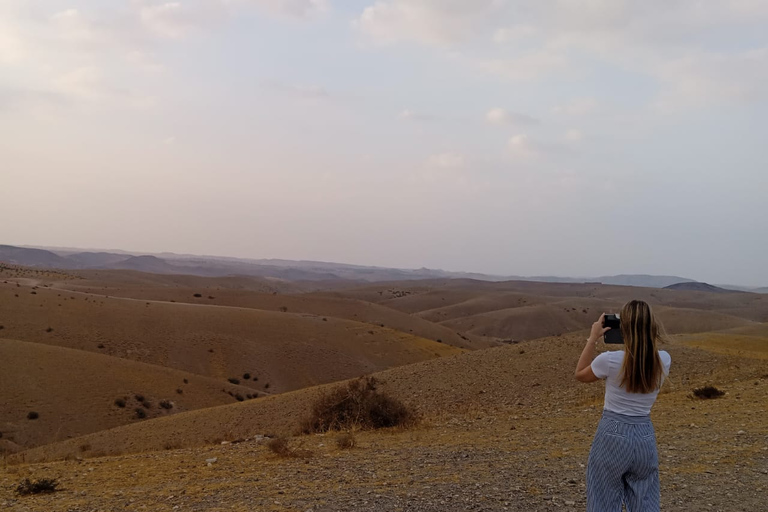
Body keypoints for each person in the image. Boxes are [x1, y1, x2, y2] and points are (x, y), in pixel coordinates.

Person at [574, 300, 672, 512]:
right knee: (645, 500)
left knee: (604, 499)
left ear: (623, 328)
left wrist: (593, 338)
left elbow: (580, 373)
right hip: (645, 435)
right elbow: (644, 353)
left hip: (612, 433)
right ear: (651, 327)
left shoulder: (609, 360)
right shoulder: (663, 360)